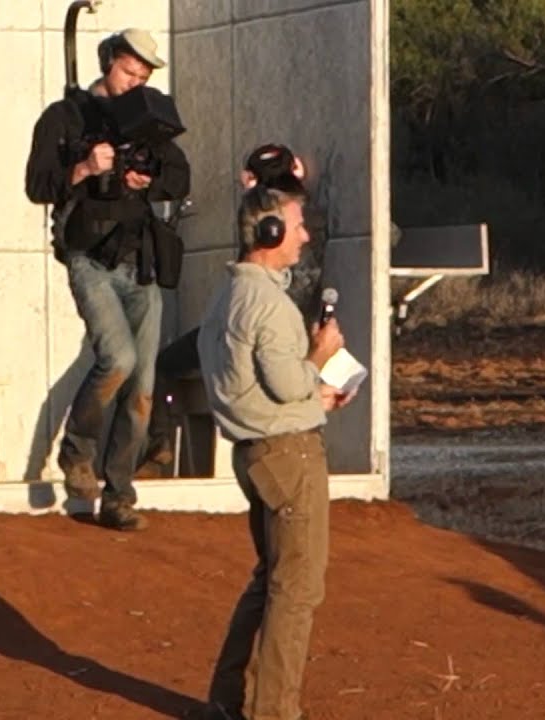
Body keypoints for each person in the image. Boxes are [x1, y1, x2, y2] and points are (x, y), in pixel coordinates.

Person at [196, 186, 355, 720]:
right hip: (289, 457)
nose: (304, 235)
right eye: (297, 223)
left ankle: (225, 699)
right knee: (296, 589)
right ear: (268, 233)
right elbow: (288, 384)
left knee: (270, 580)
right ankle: (274, 712)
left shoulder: (226, 298)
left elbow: (261, 388)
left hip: (255, 453)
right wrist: (320, 355)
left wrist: (315, 392)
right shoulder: (268, 302)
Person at [24, 28, 190, 530]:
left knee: (141, 386)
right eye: (126, 72)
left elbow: (180, 176)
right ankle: (77, 451)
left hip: (139, 263)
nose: (131, 83)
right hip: (88, 257)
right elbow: (37, 186)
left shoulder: (148, 121)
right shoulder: (66, 117)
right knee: (117, 358)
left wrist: (147, 178)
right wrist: (82, 167)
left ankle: (119, 494)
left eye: (141, 76)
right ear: (107, 63)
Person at [141, 144, 327, 474]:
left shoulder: (279, 233)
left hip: (263, 341)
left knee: (165, 364)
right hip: (271, 338)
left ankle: (159, 444)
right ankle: (159, 447)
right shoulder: (300, 220)